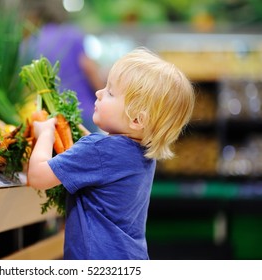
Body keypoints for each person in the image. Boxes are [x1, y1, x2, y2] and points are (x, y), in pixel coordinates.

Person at [28, 47, 195, 260]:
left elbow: (38, 176)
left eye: (109, 92)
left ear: (136, 120)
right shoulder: (142, 154)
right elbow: (103, 163)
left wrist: (45, 133)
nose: (98, 93)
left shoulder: (99, 149)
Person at [20, 0, 105, 132]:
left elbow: (27, 86)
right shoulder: (72, 34)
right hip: (83, 111)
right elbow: (89, 69)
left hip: (50, 116)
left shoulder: (30, 42)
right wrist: (105, 96)